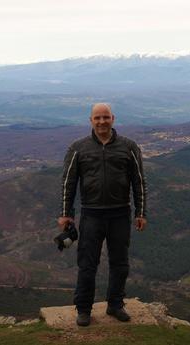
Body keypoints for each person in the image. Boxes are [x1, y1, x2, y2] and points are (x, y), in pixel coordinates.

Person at [57, 103, 147, 327]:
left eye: (105, 117)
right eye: (97, 118)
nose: (102, 122)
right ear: (91, 120)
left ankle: (115, 305)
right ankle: (84, 309)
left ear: (113, 119)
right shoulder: (78, 148)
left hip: (120, 214)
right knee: (87, 264)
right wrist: (66, 213)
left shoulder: (129, 147)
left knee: (120, 262)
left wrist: (141, 212)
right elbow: (69, 183)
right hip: (91, 215)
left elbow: (138, 181)